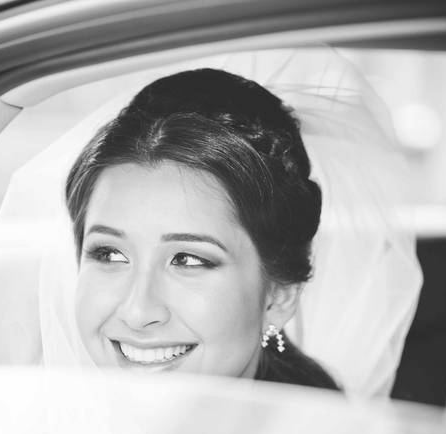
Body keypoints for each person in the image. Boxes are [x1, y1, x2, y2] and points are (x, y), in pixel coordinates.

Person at [65, 68, 339, 390]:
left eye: (187, 260)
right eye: (109, 254)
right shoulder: (25, 430)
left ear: (279, 296)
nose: (137, 313)